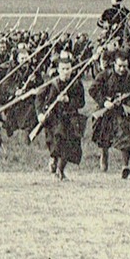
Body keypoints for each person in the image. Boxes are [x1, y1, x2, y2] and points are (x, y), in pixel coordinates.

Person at [34, 49, 87, 178]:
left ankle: (60, 170)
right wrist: (40, 113)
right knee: (57, 141)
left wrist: (69, 100)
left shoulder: (76, 84)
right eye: (63, 69)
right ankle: (54, 160)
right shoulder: (51, 83)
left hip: (71, 118)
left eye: (68, 68)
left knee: (70, 144)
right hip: (54, 118)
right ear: (58, 69)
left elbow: (81, 102)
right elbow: (39, 98)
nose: (66, 72)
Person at [89, 46, 130, 177]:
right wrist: (105, 101)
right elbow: (93, 89)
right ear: (114, 64)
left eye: (124, 66)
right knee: (104, 136)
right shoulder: (105, 75)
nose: (122, 69)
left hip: (122, 110)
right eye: (119, 66)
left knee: (126, 134)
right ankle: (104, 157)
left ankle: (125, 166)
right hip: (106, 110)